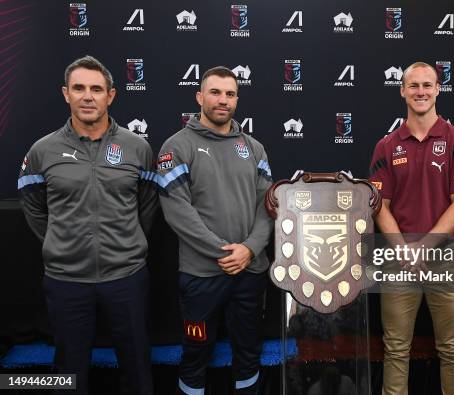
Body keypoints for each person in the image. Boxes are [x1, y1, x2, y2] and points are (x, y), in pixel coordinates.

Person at [17, 55, 157, 394]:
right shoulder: (42, 150)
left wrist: (126, 242)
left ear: (111, 95)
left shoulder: (137, 147)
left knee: (138, 366)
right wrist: (59, 242)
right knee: (68, 370)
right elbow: (34, 207)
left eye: (97, 89)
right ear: (66, 94)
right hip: (67, 281)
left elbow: (148, 205)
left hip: (126, 276)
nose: (88, 96)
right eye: (79, 88)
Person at [156, 66, 273, 395]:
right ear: (199, 97)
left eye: (230, 94)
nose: (223, 100)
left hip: (250, 272)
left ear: (237, 99)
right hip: (202, 276)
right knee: (195, 353)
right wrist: (227, 252)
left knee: (249, 353)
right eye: (215, 92)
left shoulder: (254, 147)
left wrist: (249, 250)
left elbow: (268, 206)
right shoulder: (177, 147)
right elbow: (177, 211)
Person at [368, 61, 454, 395]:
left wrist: (423, 247)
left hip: (445, 258)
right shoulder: (386, 145)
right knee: (396, 348)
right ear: (402, 90)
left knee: (451, 348)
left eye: (427, 85)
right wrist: (404, 249)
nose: (421, 92)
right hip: (397, 259)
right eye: (413, 85)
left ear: (438, 90)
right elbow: (379, 206)